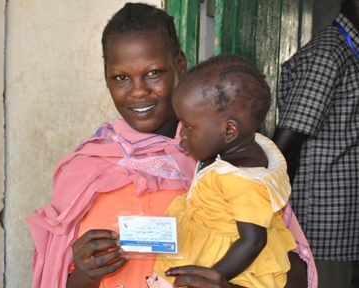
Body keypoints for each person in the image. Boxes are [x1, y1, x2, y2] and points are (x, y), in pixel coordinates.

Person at [26, 3, 315, 288]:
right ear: (106, 78)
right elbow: (55, 278)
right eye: (121, 77)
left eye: (154, 72)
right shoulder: (83, 171)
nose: (138, 91)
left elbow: (293, 273)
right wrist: (85, 275)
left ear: (179, 65)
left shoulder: (227, 164)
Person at [152, 53, 296, 287]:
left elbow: (253, 240)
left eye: (188, 126)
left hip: (228, 261)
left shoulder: (242, 180)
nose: (181, 134)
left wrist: (215, 276)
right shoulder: (245, 146)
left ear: (229, 131)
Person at [272, 0, 359, 287]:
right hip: (324, 229)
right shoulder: (329, 54)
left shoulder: (347, 51)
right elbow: (285, 145)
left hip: (343, 224)